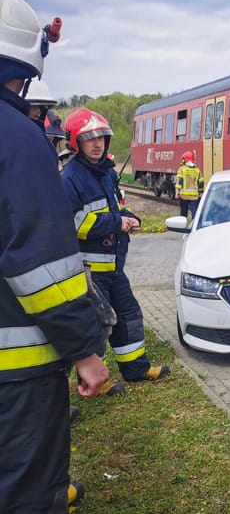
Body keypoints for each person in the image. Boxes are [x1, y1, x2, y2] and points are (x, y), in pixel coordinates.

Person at [0, 0, 109, 514]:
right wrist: (86, 352)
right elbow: (42, 266)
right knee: (26, 490)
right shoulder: (18, 140)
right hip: (15, 375)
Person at [61, 106, 171, 385]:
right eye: (90, 138)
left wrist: (129, 217)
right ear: (76, 142)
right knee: (97, 327)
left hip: (114, 267)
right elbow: (72, 223)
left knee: (128, 315)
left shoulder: (106, 173)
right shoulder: (70, 177)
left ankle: (136, 369)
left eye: (102, 137)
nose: (97, 144)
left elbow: (116, 206)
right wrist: (115, 223)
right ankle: (94, 381)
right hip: (89, 271)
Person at [175, 150, 204, 222]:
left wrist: (177, 192)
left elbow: (179, 182)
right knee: (194, 213)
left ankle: (182, 226)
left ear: (185, 159)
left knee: (184, 212)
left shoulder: (182, 169)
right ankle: (193, 227)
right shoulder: (197, 170)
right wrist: (200, 193)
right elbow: (201, 183)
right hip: (194, 196)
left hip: (184, 196)